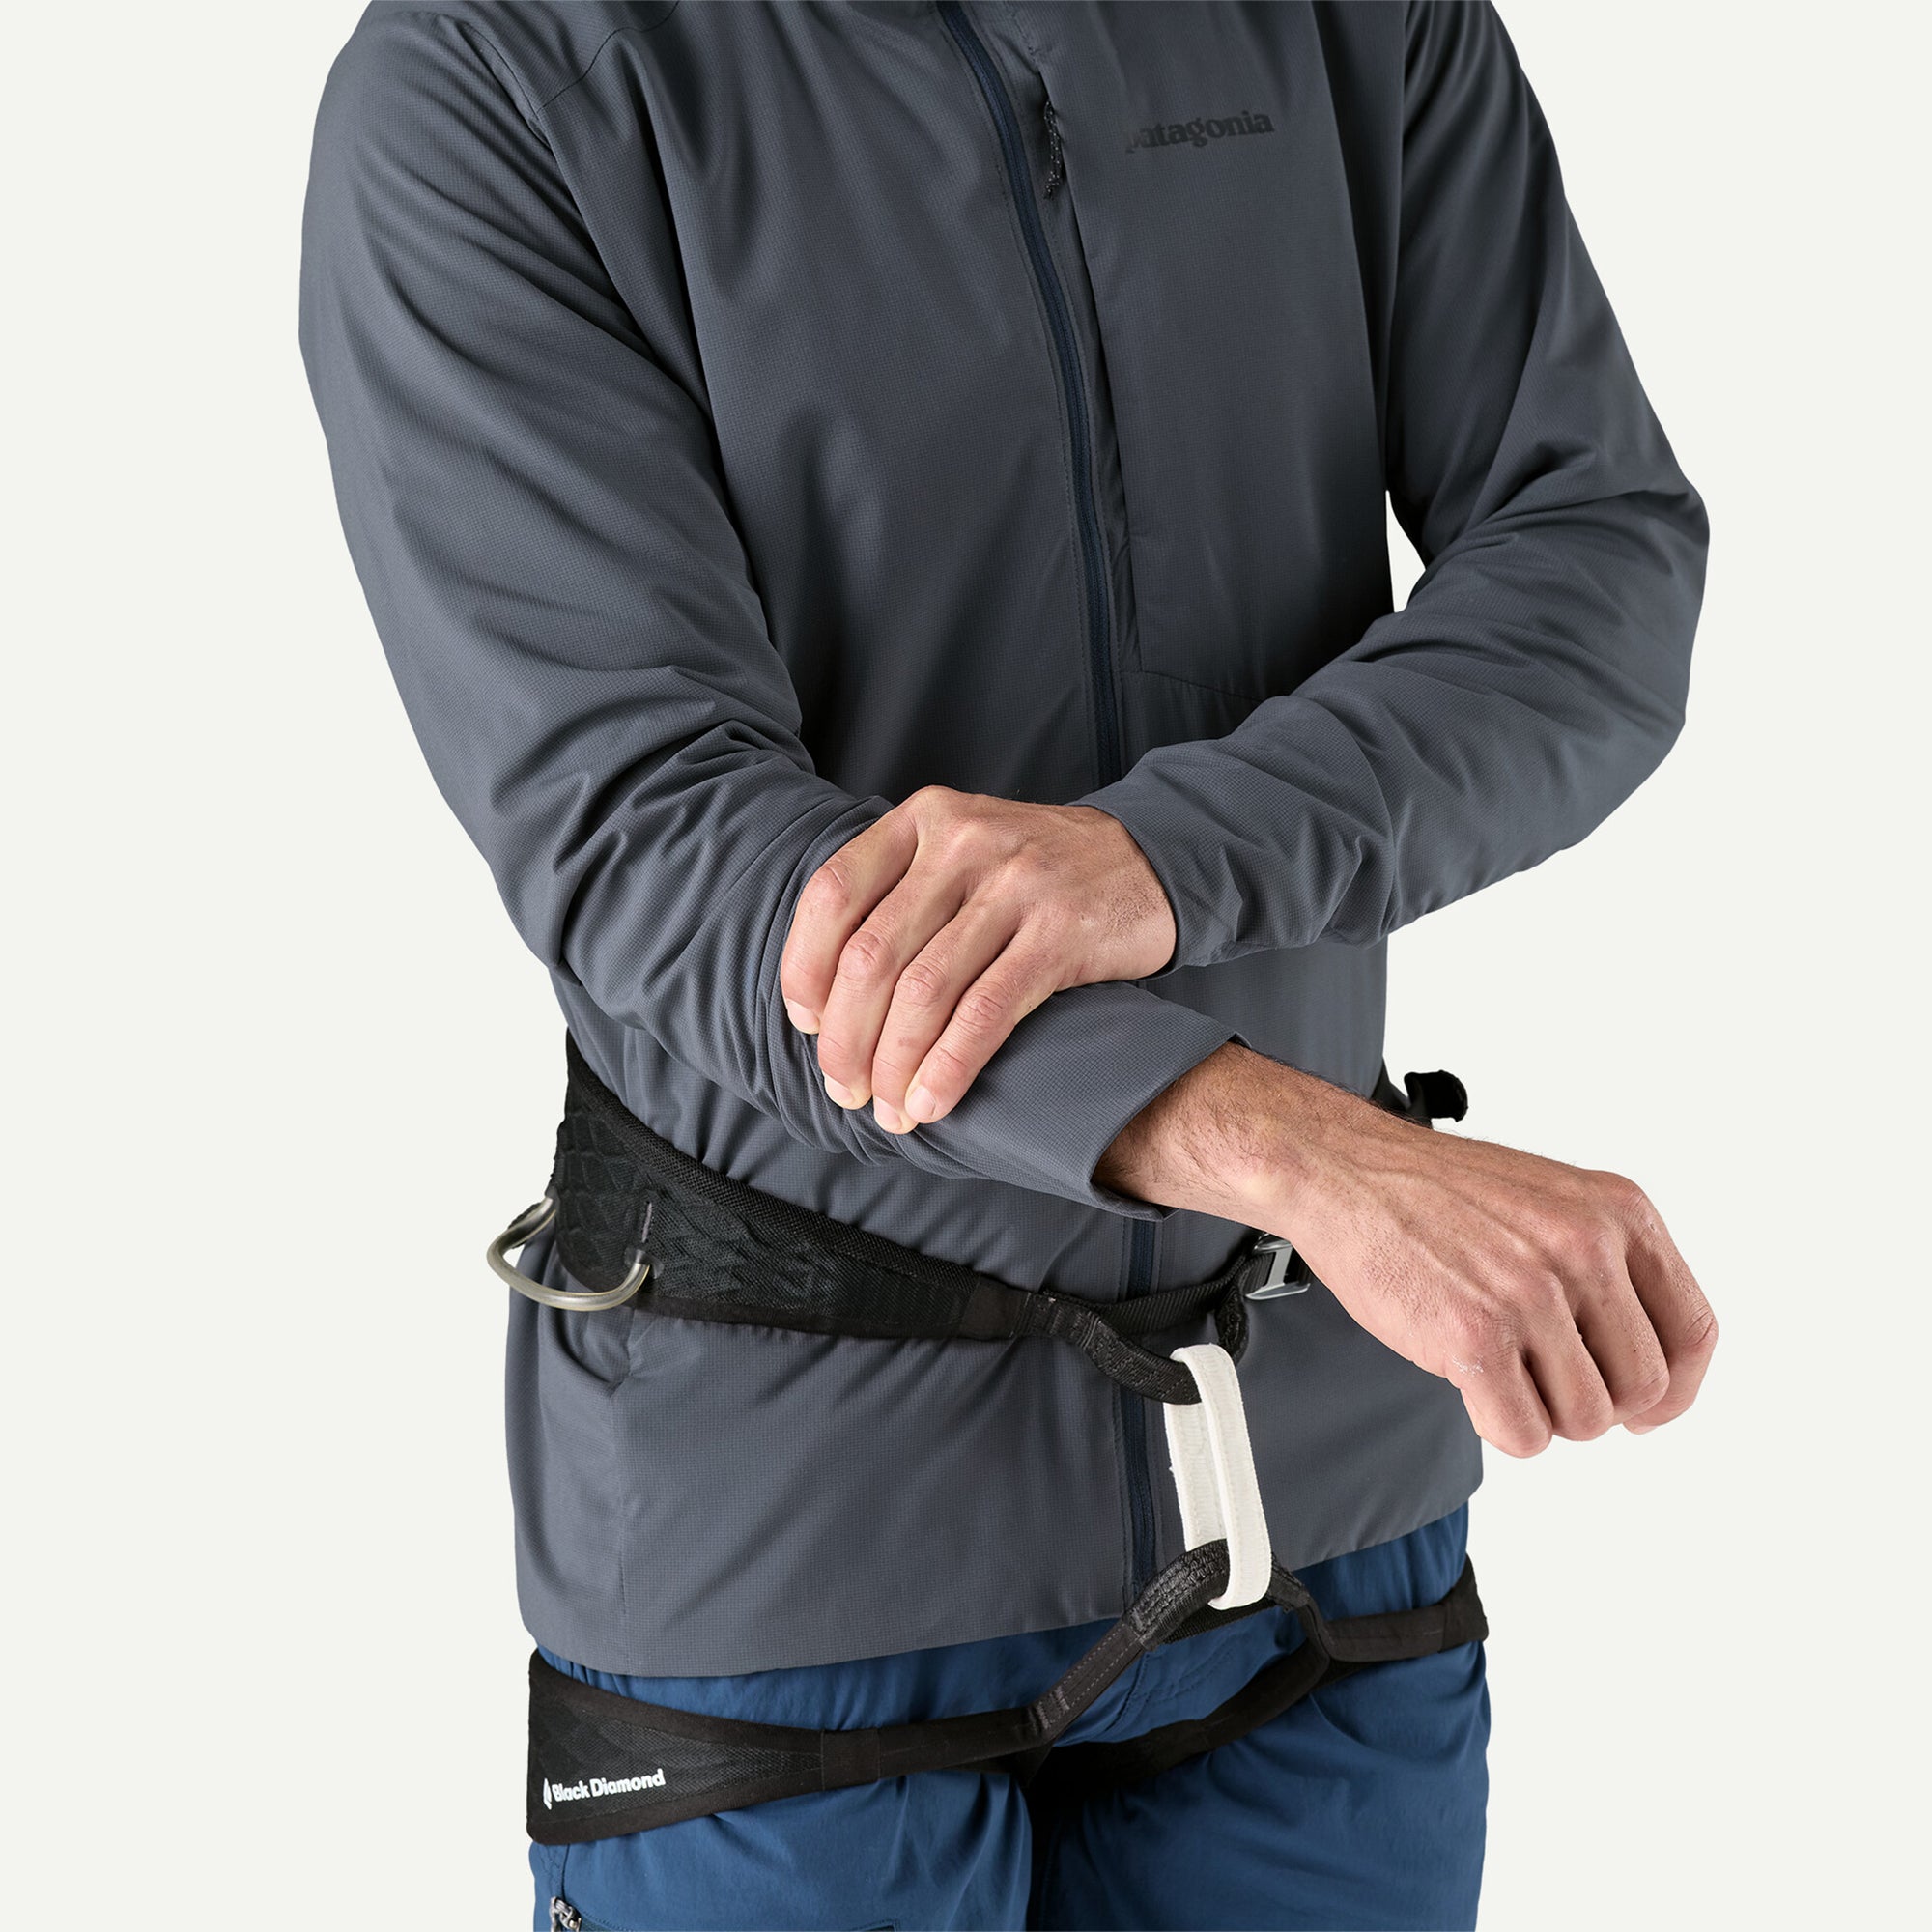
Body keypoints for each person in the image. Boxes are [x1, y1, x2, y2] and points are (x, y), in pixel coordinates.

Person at [300, 4, 1716, 1925]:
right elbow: (654, 837)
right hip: (795, 1561)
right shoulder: (496, 75)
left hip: (1322, 1530)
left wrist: (1164, 857)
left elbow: (1593, 557)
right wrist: (1307, 1155)